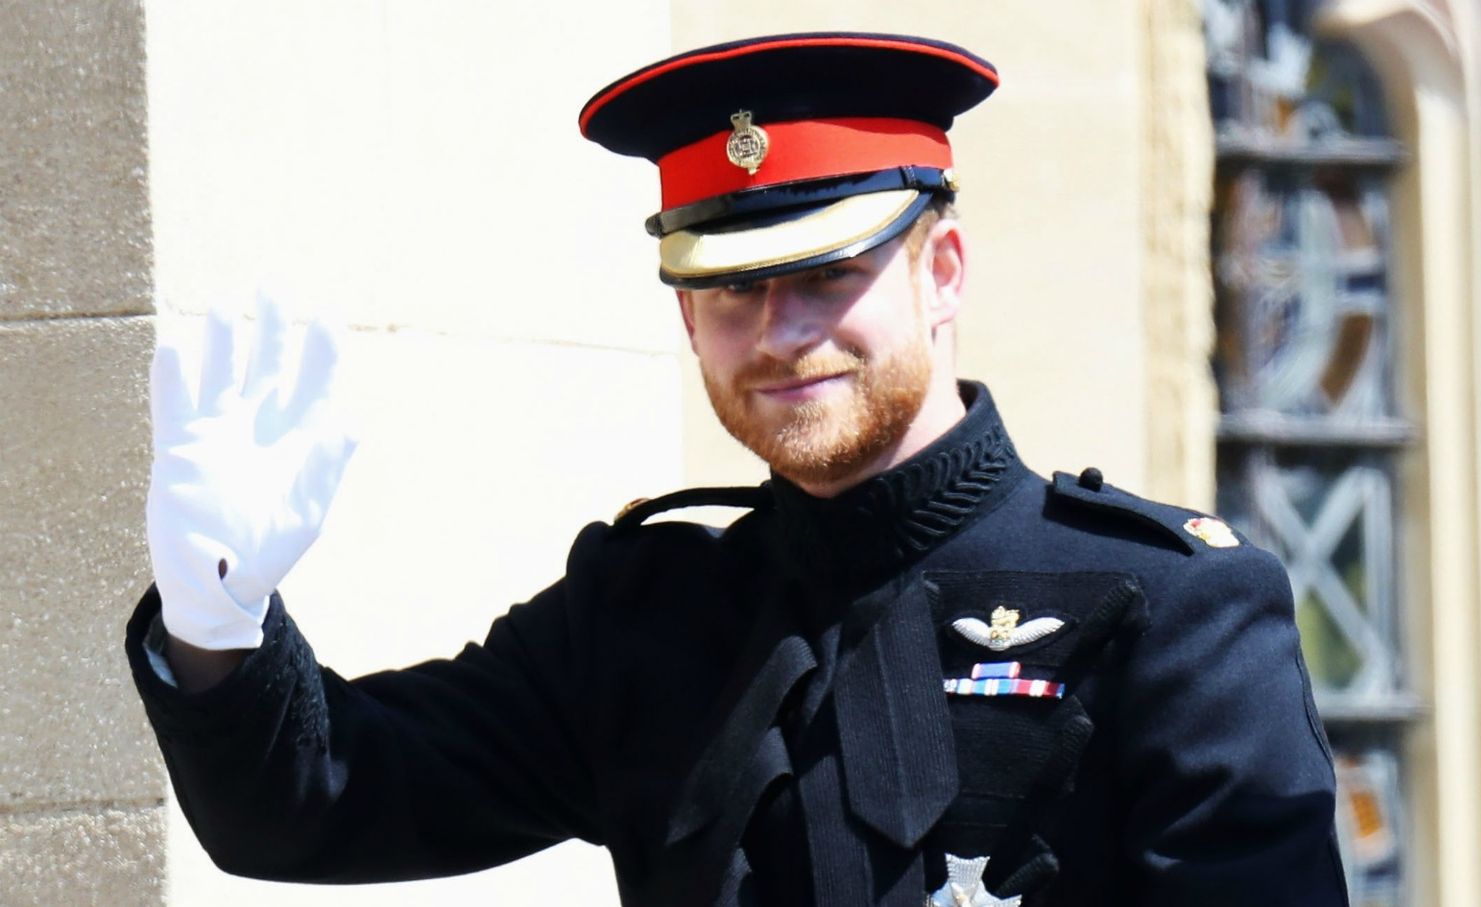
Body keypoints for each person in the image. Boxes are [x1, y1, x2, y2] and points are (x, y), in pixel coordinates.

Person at [126, 32, 1349, 906]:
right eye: (731, 290)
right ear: (685, 313)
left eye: (827, 275)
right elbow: (319, 804)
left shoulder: (1172, 606)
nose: (779, 334)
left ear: (943, 272)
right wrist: (218, 619)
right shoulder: (643, 615)